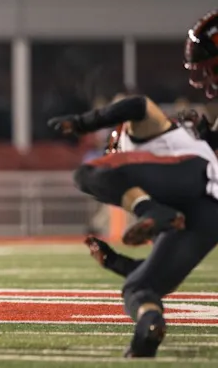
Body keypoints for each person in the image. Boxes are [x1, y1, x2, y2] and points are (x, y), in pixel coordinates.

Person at [48, 88, 218, 356]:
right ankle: (147, 332)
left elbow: (138, 104)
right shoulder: (167, 208)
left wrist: (83, 122)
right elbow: (164, 275)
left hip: (192, 176)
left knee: (88, 173)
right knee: (139, 288)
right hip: (208, 212)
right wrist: (114, 261)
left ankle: (147, 208)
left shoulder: (141, 135)